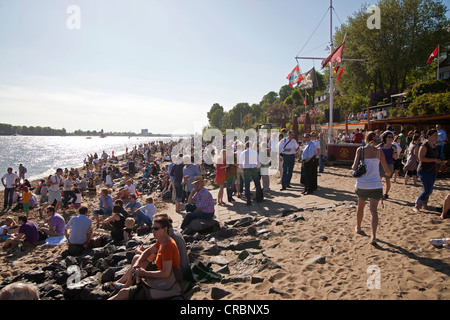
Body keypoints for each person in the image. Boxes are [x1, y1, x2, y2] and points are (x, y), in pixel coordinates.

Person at [108, 214, 182, 300]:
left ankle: (129, 287)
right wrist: (137, 263)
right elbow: (149, 251)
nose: (153, 231)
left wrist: (144, 273)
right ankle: (127, 284)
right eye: (152, 228)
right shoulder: (163, 240)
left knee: (123, 293)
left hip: (168, 281)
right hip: (160, 271)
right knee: (137, 259)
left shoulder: (168, 246)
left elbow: (166, 273)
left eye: (156, 229)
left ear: (165, 229)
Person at [352, 131, 390, 246]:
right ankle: (373, 235)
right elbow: (387, 170)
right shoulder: (379, 152)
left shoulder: (361, 150)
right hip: (376, 184)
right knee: (373, 210)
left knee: (361, 206)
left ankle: (358, 227)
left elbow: (354, 166)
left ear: (366, 139)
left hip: (362, 183)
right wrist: (385, 174)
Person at [413, 129, 442, 213]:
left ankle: (424, 205)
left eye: (437, 135)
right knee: (427, 189)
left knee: (430, 189)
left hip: (432, 170)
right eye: (435, 135)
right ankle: (417, 206)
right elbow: (420, 158)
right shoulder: (424, 145)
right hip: (424, 170)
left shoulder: (433, 145)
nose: (436, 137)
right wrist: (434, 160)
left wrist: (437, 161)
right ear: (429, 136)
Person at [378, 132, 397, 199]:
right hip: (380, 164)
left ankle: (386, 194)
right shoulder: (381, 145)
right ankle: (379, 193)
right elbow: (374, 149)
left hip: (389, 164)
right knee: (378, 179)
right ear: (385, 138)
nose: (390, 138)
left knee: (387, 180)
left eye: (391, 137)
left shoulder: (393, 147)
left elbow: (395, 157)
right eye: (389, 137)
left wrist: (395, 151)